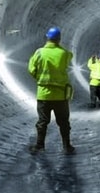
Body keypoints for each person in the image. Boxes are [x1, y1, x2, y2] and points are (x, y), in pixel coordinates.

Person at [28, 26, 75, 154]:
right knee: (64, 122)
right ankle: (67, 146)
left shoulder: (39, 52)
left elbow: (31, 69)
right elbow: (70, 57)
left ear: (47, 37)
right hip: (60, 95)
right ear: (59, 39)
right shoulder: (64, 53)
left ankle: (39, 145)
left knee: (42, 122)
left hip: (44, 95)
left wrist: (39, 77)